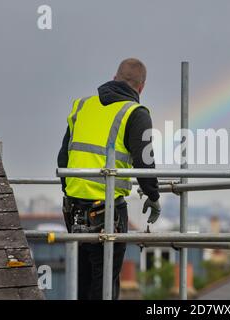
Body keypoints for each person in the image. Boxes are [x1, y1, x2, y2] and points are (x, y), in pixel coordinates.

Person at [57, 58, 161, 300]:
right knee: (105, 285)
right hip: (107, 210)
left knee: (81, 283)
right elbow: (144, 161)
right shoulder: (135, 113)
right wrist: (153, 196)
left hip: (73, 208)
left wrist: (69, 191)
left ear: (114, 78)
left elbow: (63, 156)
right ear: (141, 88)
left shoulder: (82, 105)